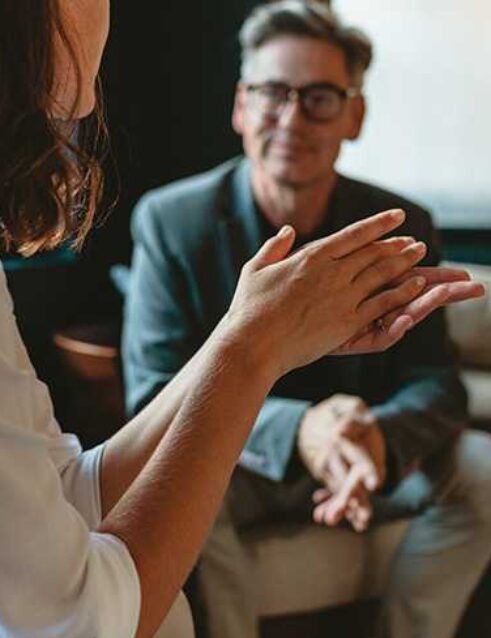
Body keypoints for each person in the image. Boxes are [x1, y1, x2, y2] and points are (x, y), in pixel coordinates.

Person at [121, 2, 491, 638]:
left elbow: (437, 383)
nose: (291, 119)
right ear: (241, 106)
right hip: (238, 464)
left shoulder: (401, 224)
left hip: (369, 455)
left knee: (484, 469)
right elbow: (153, 392)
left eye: (319, 98)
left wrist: (373, 437)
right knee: (181, 495)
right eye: (272, 93)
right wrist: (303, 429)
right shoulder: (171, 222)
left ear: (355, 115)